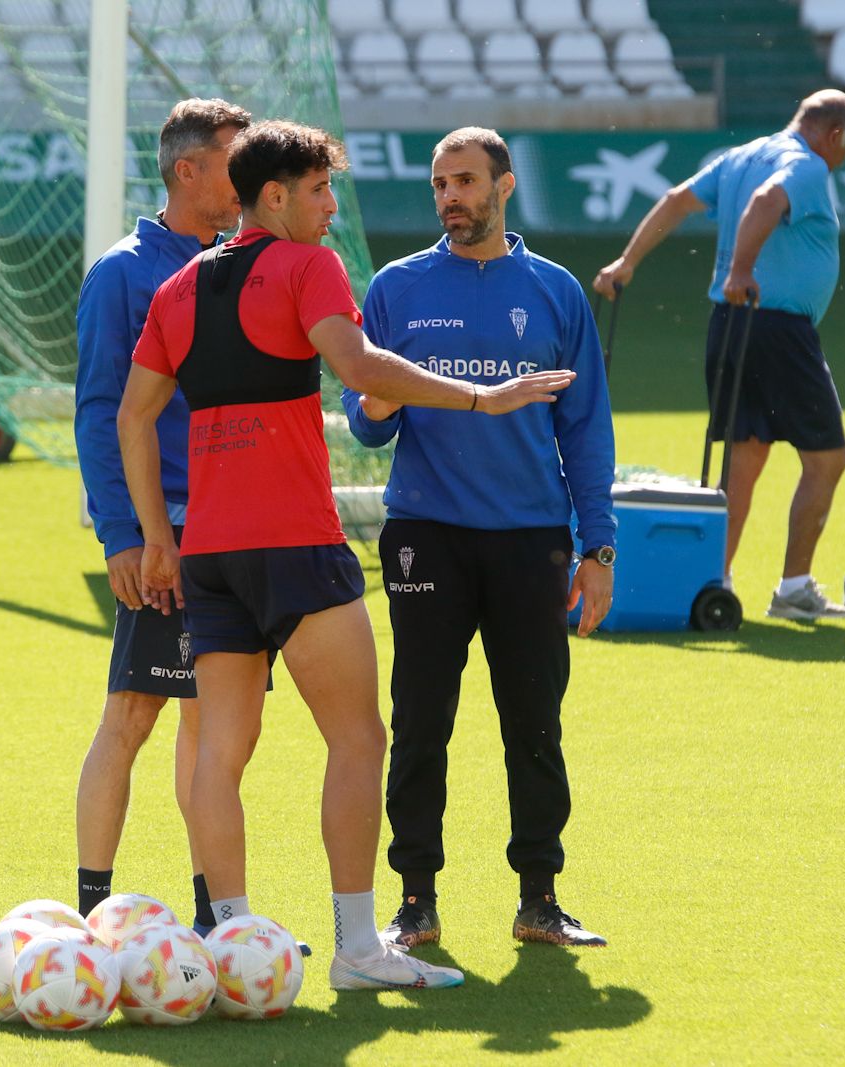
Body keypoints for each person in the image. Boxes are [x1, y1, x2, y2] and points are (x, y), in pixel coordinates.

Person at [117, 119, 577, 989]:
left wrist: (156, 537)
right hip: (295, 544)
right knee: (360, 737)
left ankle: (235, 946)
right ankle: (359, 947)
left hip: (211, 552)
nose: (334, 209)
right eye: (323, 191)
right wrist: (483, 397)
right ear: (278, 197)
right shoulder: (305, 265)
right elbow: (360, 366)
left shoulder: (179, 286)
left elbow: (132, 415)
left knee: (221, 751)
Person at [341, 127, 616, 951]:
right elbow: (366, 422)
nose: (448, 197)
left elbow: (587, 429)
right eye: (438, 184)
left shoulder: (557, 292)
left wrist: (596, 547)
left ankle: (540, 897)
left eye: (464, 181)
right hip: (426, 532)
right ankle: (415, 900)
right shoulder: (395, 288)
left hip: (531, 537)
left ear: (504, 188)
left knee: (534, 720)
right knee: (421, 719)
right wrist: (381, 400)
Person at [72, 98, 252, 931]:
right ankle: (90, 914)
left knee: (216, 725)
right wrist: (126, 534)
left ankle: (214, 918)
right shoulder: (124, 272)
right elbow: (102, 409)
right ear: (188, 171)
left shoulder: (246, 259)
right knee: (133, 714)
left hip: (239, 530)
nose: (247, 175)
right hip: (164, 532)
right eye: (232, 159)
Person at [593, 89, 845, 621]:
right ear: (834, 135)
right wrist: (742, 269)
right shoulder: (804, 164)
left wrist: (627, 262)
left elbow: (675, 200)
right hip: (776, 326)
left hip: (729, 321)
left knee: (744, 458)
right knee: (828, 459)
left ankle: (708, 581)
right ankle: (793, 589)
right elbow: (767, 202)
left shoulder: (741, 156)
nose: (841, 160)